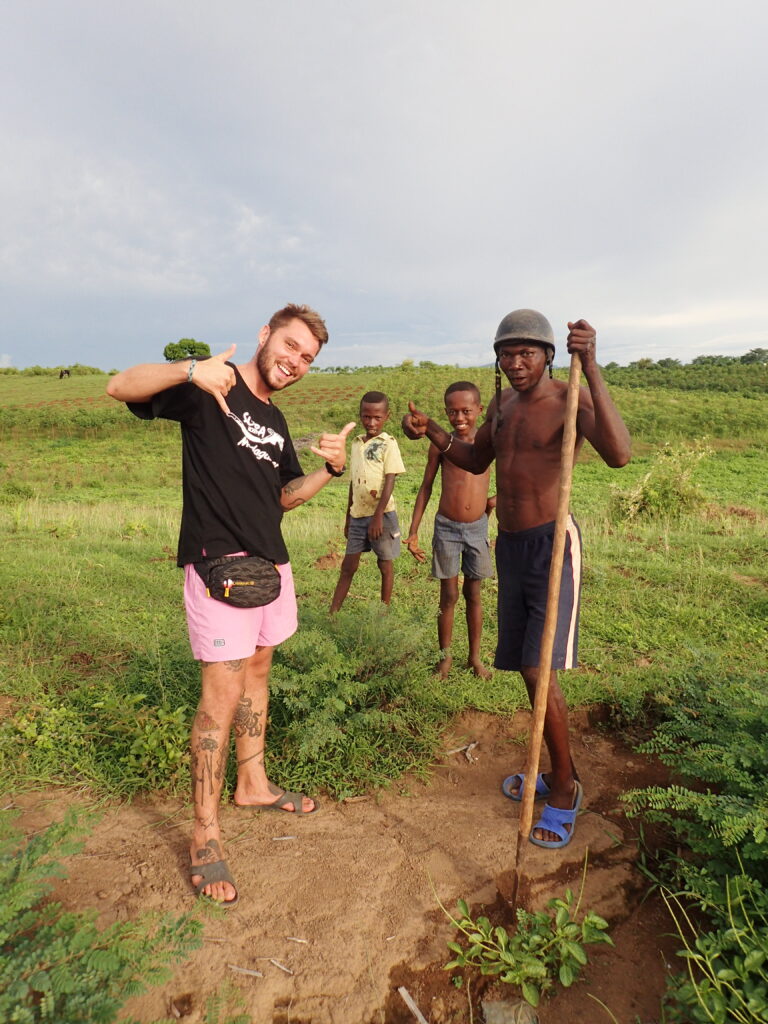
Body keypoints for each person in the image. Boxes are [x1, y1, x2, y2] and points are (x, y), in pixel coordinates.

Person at [106, 303, 354, 906]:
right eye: (290, 346)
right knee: (220, 697)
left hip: (271, 568)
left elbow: (285, 496)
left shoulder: (275, 418)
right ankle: (205, 835)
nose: (295, 362)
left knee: (258, 673)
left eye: (307, 358)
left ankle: (254, 784)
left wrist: (330, 469)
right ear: (265, 334)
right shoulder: (210, 387)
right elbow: (119, 386)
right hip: (219, 565)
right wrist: (190, 369)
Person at [402, 311, 630, 849]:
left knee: (537, 668)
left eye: (527, 352)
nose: (516, 362)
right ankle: (558, 771)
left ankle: (566, 789)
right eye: (507, 353)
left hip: (552, 546)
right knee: (529, 671)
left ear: (549, 355)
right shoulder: (501, 405)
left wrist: (592, 363)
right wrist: (432, 431)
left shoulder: (571, 398)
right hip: (510, 545)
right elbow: (474, 457)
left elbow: (619, 455)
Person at [406, 382, 496, 679]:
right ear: (446, 412)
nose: (459, 417)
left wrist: (493, 502)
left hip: (477, 528)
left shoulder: (487, 443)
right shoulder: (441, 444)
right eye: (452, 412)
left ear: (479, 410)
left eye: (466, 411)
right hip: (446, 527)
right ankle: (444, 658)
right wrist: (414, 530)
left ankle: (475, 658)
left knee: (474, 593)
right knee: (448, 595)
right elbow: (426, 487)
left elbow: (514, 474)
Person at [329, 391, 406, 613]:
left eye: (377, 418)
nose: (371, 422)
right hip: (358, 515)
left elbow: (390, 480)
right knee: (348, 566)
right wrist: (348, 518)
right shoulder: (355, 443)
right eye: (366, 417)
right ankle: (333, 613)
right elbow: (353, 483)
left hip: (382, 515)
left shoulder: (388, 443)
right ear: (360, 415)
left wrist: (378, 516)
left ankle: (383, 612)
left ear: (387, 416)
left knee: (385, 564)